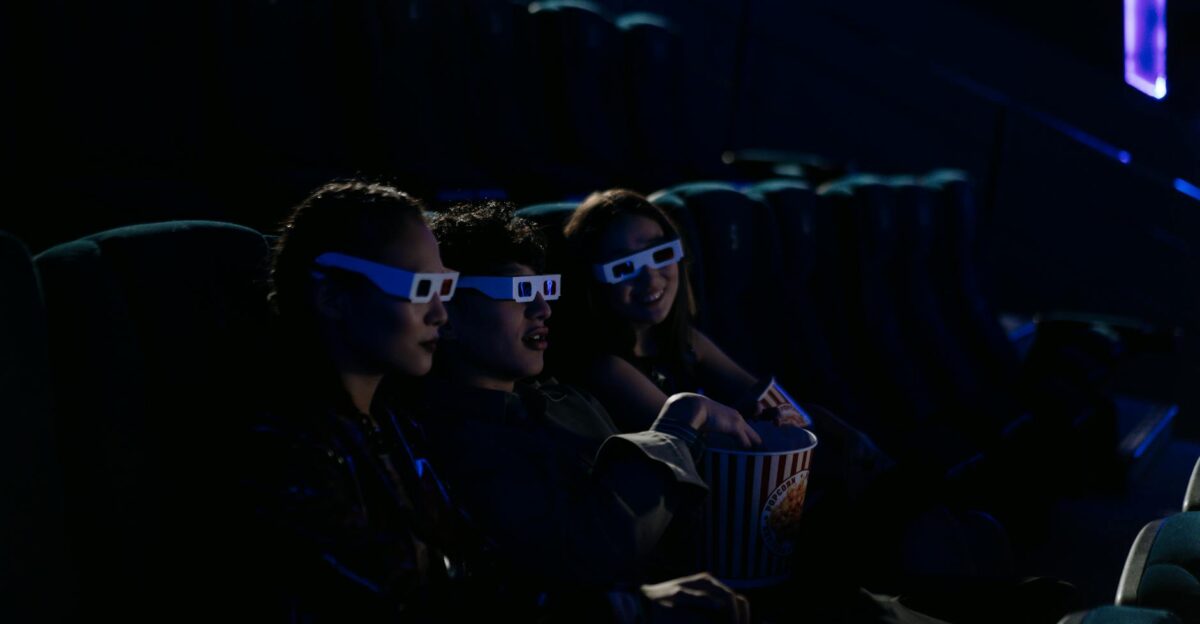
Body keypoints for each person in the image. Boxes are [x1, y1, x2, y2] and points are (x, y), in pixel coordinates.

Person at [241, 180, 753, 622]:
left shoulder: (389, 423)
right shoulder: (289, 447)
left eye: (444, 286)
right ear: (332, 298)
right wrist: (625, 611)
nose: (440, 312)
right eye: (423, 287)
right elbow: (423, 603)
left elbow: (479, 576)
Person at [420, 201, 764, 588]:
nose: (543, 308)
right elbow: (596, 549)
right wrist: (680, 423)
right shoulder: (457, 442)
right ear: (444, 316)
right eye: (519, 290)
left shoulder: (565, 398)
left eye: (543, 288)